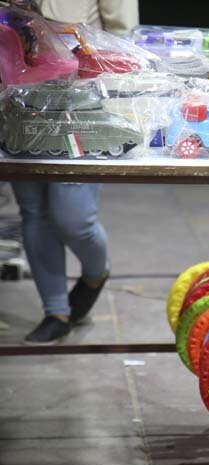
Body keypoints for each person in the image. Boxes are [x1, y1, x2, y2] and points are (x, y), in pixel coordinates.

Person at [10, 0, 139, 344]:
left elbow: (122, 28)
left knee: (73, 217)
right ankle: (56, 311)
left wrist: (115, 94)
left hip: (79, 95)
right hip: (13, 91)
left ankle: (96, 271)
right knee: (34, 210)